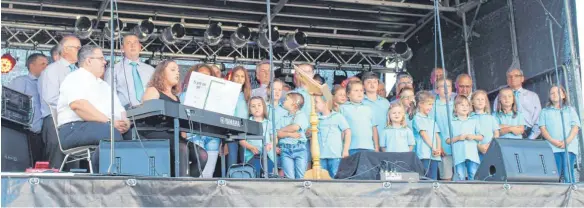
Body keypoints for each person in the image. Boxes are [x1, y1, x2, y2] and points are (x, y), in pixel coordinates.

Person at [56, 45, 128, 171]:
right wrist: (110, 122)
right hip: (74, 128)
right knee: (110, 133)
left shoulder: (104, 85)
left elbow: (120, 110)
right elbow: (78, 105)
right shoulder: (75, 78)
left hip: (101, 126)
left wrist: (125, 122)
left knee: (132, 136)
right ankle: (101, 177)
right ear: (89, 61)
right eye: (101, 58)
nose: (105, 62)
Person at [141, 60, 207, 177]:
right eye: (172, 70)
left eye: (178, 70)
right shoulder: (153, 90)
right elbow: (145, 113)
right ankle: (180, 187)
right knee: (182, 149)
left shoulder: (176, 98)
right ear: (161, 73)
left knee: (202, 155)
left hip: (174, 135)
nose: (177, 73)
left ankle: (185, 184)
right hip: (155, 132)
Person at [39, 34, 81, 169]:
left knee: (74, 163)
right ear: (66, 49)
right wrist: (77, 106)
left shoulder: (79, 71)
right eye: (77, 48)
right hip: (55, 120)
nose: (80, 51)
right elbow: (50, 98)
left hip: (75, 121)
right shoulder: (52, 70)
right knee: (57, 163)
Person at [7, 53, 49, 164]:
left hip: (43, 135)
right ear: (31, 66)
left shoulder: (47, 84)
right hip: (26, 133)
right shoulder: (21, 81)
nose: (46, 67)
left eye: (47, 64)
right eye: (42, 64)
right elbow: (11, 104)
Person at [180, 64, 219, 178]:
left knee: (208, 175)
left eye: (207, 75)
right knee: (197, 173)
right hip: (193, 135)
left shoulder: (217, 97)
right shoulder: (184, 95)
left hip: (212, 136)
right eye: (201, 74)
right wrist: (183, 132)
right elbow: (180, 115)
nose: (205, 77)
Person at [538, 85, 581, 183]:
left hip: (568, 147)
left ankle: (571, 196)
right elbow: (543, 129)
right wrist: (553, 141)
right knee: (555, 173)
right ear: (549, 96)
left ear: (563, 95)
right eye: (552, 93)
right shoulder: (544, 112)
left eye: (557, 92)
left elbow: (575, 127)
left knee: (567, 173)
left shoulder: (570, 110)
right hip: (552, 148)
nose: (554, 95)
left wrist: (567, 141)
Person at [105, 34, 155, 109]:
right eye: (128, 43)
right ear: (122, 48)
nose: (133, 45)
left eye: (135, 43)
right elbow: (110, 98)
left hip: (151, 111)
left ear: (140, 47)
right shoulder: (113, 70)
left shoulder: (151, 70)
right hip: (127, 114)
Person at [493, 66, 541, 140]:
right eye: (510, 77)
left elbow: (538, 119)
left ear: (522, 78)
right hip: (505, 136)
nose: (513, 78)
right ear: (507, 80)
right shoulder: (499, 97)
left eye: (516, 76)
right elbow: (495, 119)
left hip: (528, 133)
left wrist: (531, 138)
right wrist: (509, 128)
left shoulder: (532, 96)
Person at [448, 95, 483, 181]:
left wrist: (473, 136)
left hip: (472, 154)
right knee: (460, 175)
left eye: (467, 105)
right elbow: (448, 140)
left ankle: (473, 192)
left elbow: (481, 137)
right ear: (455, 108)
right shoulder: (452, 122)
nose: (465, 107)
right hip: (458, 154)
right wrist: (458, 138)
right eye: (462, 105)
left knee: (474, 174)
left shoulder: (474, 121)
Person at [340, 80, 379, 155]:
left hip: (368, 147)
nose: (359, 93)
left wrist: (376, 147)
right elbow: (341, 130)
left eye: (361, 90)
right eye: (356, 90)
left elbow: (374, 128)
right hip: (350, 148)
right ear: (348, 94)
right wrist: (342, 147)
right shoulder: (343, 108)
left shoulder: (369, 108)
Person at [315, 96, 351, 178]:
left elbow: (347, 132)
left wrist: (345, 150)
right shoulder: (315, 118)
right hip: (320, 156)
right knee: (321, 179)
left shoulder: (337, 116)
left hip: (335, 155)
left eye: (317, 102)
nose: (314, 104)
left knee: (335, 177)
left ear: (325, 103)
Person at [240, 96, 276, 178]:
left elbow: (274, 138)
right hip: (252, 156)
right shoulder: (246, 123)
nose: (256, 108)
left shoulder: (269, 123)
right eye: (253, 106)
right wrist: (251, 147)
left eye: (259, 105)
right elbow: (241, 140)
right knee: (253, 177)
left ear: (263, 106)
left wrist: (270, 145)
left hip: (268, 156)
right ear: (249, 109)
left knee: (268, 177)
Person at [276, 92, 309, 179]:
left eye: (287, 99)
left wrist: (282, 130)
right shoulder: (283, 117)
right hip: (285, 149)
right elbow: (278, 133)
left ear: (294, 104)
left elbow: (295, 127)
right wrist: (290, 134)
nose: (284, 101)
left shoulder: (300, 114)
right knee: (289, 177)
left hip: (299, 149)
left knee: (300, 176)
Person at [412, 90, 442, 180]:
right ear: (420, 104)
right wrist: (433, 148)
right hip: (424, 154)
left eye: (432, 104)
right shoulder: (417, 118)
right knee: (424, 178)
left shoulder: (431, 119)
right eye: (429, 104)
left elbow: (437, 136)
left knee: (433, 178)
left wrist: (438, 149)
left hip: (435, 155)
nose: (431, 107)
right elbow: (423, 134)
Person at [431, 78, 454, 181]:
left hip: (458, 147)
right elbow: (432, 127)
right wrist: (439, 146)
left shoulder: (456, 105)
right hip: (444, 147)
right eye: (442, 87)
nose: (446, 89)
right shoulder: (433, 106)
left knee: (461, 177)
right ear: (436, 90)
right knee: (446, 177)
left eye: (448, 86)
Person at [362, 72, 390, 143]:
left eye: (375, 82)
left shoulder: (385, 102)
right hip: (367, 141)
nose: (372, 84)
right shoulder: (360, 102)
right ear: (363, 86)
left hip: (385, 140)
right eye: (369, 82)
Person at [470, 90, 500, 158]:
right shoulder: (469, 118)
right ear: (472, 102)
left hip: (490, 150)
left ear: (486, 103)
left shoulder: (491, 117)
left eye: (482, 99)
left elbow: (496, 134)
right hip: (474, 151)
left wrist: (489, 145)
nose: (480, 101)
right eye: (477, 99)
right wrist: (478, 146)